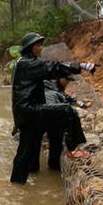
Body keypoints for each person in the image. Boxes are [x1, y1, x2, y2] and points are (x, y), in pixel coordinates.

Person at [10, 32, 95, 184]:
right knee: (66, 111)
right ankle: (73, 149)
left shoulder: (23, 62)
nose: (41, 48)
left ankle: (16, 185)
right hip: (30, 110)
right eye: (38, 45)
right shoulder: (26, 63)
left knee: (25, 152)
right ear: (30, 47)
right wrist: (80, 66)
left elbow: (48, 69)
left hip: (25, 112)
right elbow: (52, 67)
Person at [42, 76, 88, 171]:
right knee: (57, 139)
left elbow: (64, 96)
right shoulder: (53, 86)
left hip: (35, 112)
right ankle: (72, 150)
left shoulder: (47, 81)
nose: (67, 84)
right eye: (66, 81)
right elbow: (63, 98)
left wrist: (78, 102)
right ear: (61, 77)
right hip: (51, 112)